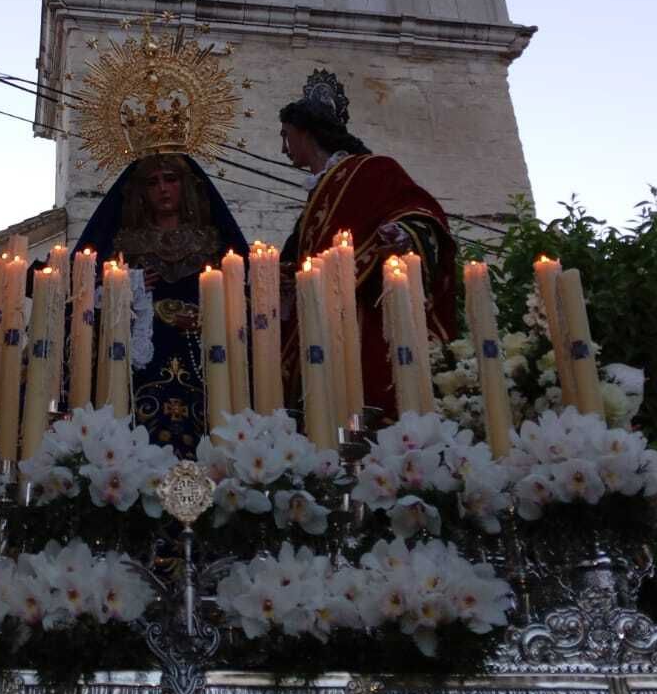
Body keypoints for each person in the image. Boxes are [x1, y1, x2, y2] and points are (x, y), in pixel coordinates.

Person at [278, 69, 457, 420]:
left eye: (285, 136)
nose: (282, 148)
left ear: (305, 133)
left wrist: (403, 236)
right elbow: (298, 257)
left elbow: (421, 214)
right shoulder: (319, 193)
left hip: (365, 312)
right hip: (319, 322)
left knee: (369, 402)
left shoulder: (372, 170)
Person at [72, 153, 249, 455]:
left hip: (201, 355)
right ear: (140, 192)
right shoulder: (123, 245)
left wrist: (207, 317)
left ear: (187, 186)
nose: (163, 189)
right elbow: (86, 296)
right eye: (152, 182)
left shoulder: (213, 243)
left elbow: (240, 296)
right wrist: (126, 287)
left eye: (171, 179)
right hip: (141, 363)